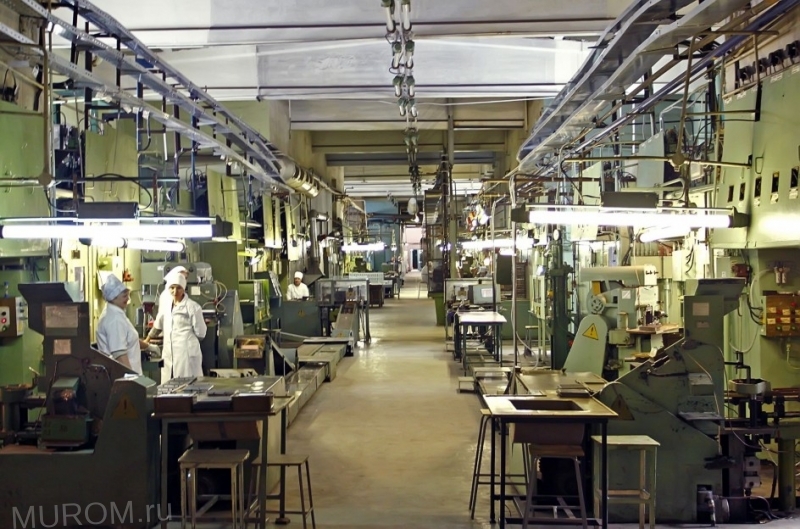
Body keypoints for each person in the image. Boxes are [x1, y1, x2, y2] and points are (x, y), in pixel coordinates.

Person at [145, 273, 207, 382]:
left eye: (179, 288)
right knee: (168, 384)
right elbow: (158, 325)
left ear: (184, 289)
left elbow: (201, 333)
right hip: (169, 352)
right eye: (172, 288)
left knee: (188, 384)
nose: (175, 291)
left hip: (186, 354)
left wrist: (187, 341)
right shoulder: (166, 306)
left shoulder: (193, 307)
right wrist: (147, 340)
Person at [96, 275, 150, 375]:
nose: (128, 299)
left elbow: (127, 338)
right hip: (122, 377)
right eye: (124, 296)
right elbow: (119, 354)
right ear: (113, 298)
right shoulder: (114, 319)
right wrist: (132, 379)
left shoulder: (115, 312)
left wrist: (148, 347)